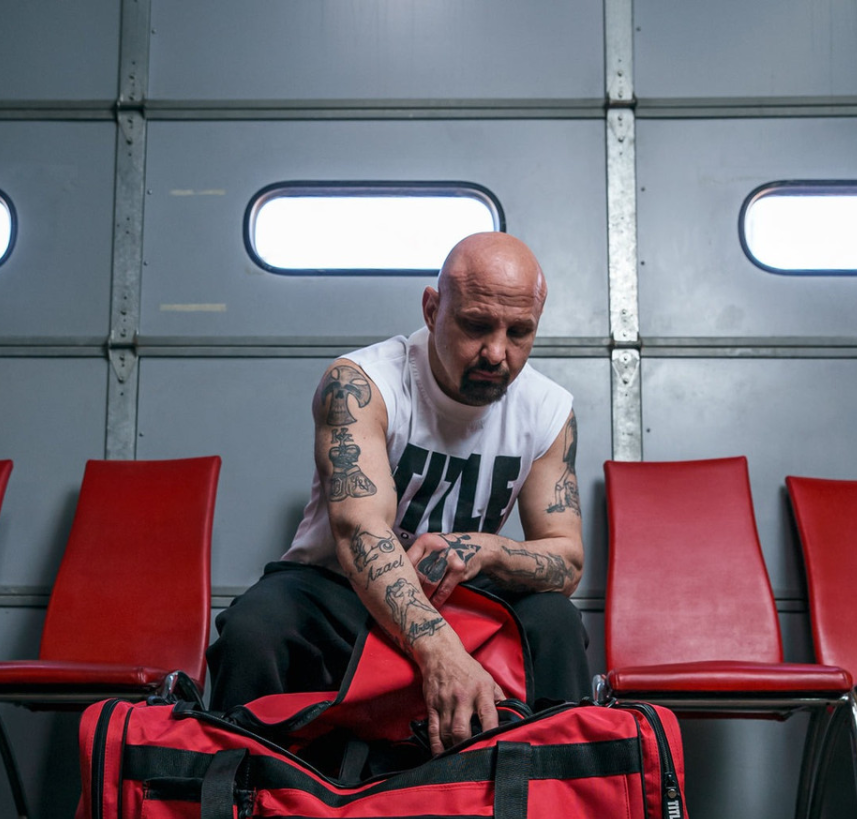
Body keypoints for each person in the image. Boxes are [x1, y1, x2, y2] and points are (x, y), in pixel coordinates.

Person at [206, 231, 590, 753]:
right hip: (337, 590)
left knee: (555, 621)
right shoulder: (362, 384)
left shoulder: (548, 409)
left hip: (460, 594)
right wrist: (440, 650)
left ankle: (560, 792)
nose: (497, 353)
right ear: (432, 310)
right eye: (476, 326)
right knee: (255, 627)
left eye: (519, 332)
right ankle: (245, 795)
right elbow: (359, 530)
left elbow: (567, 559)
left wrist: (485, 549)